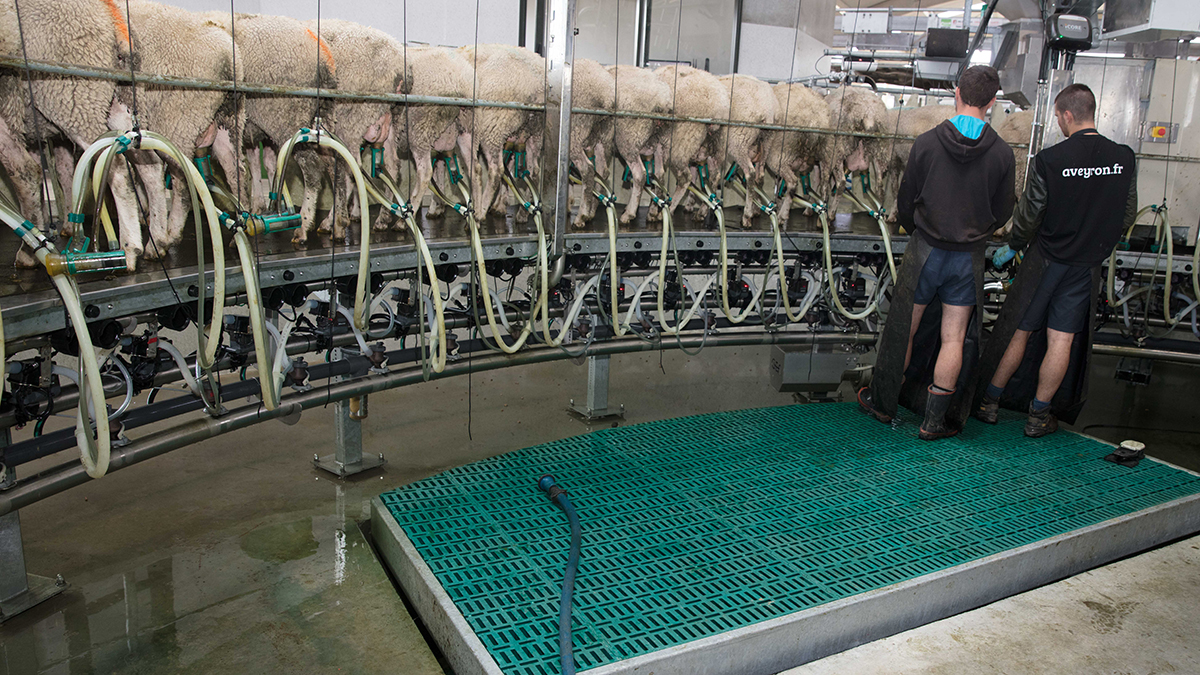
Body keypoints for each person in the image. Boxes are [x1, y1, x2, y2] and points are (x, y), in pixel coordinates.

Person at [859, 65, 1016, 440]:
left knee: (905, 331)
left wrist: (918, 230)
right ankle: (934, 420)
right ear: (993, 102)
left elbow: (906, 200)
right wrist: (978, 230)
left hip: (925, 251)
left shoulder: (927, 143)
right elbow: (1005, 210)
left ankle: (883, 405)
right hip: (967, 257)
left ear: (956, 93)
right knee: (953, 337)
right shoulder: (1002, 154)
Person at [976, 84, 1137, 436]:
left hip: (1046, 259)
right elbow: (1127, 214)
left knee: (1020, 331)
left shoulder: (1051, 160)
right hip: (1086, 264)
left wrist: (1014, 245)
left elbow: (1030, 215)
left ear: (1066, 115)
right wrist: (1098, 244)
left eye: (1058, 118)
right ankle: (1038, 416)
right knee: (1061, 340)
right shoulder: (1123, 158)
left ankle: (989, 402)